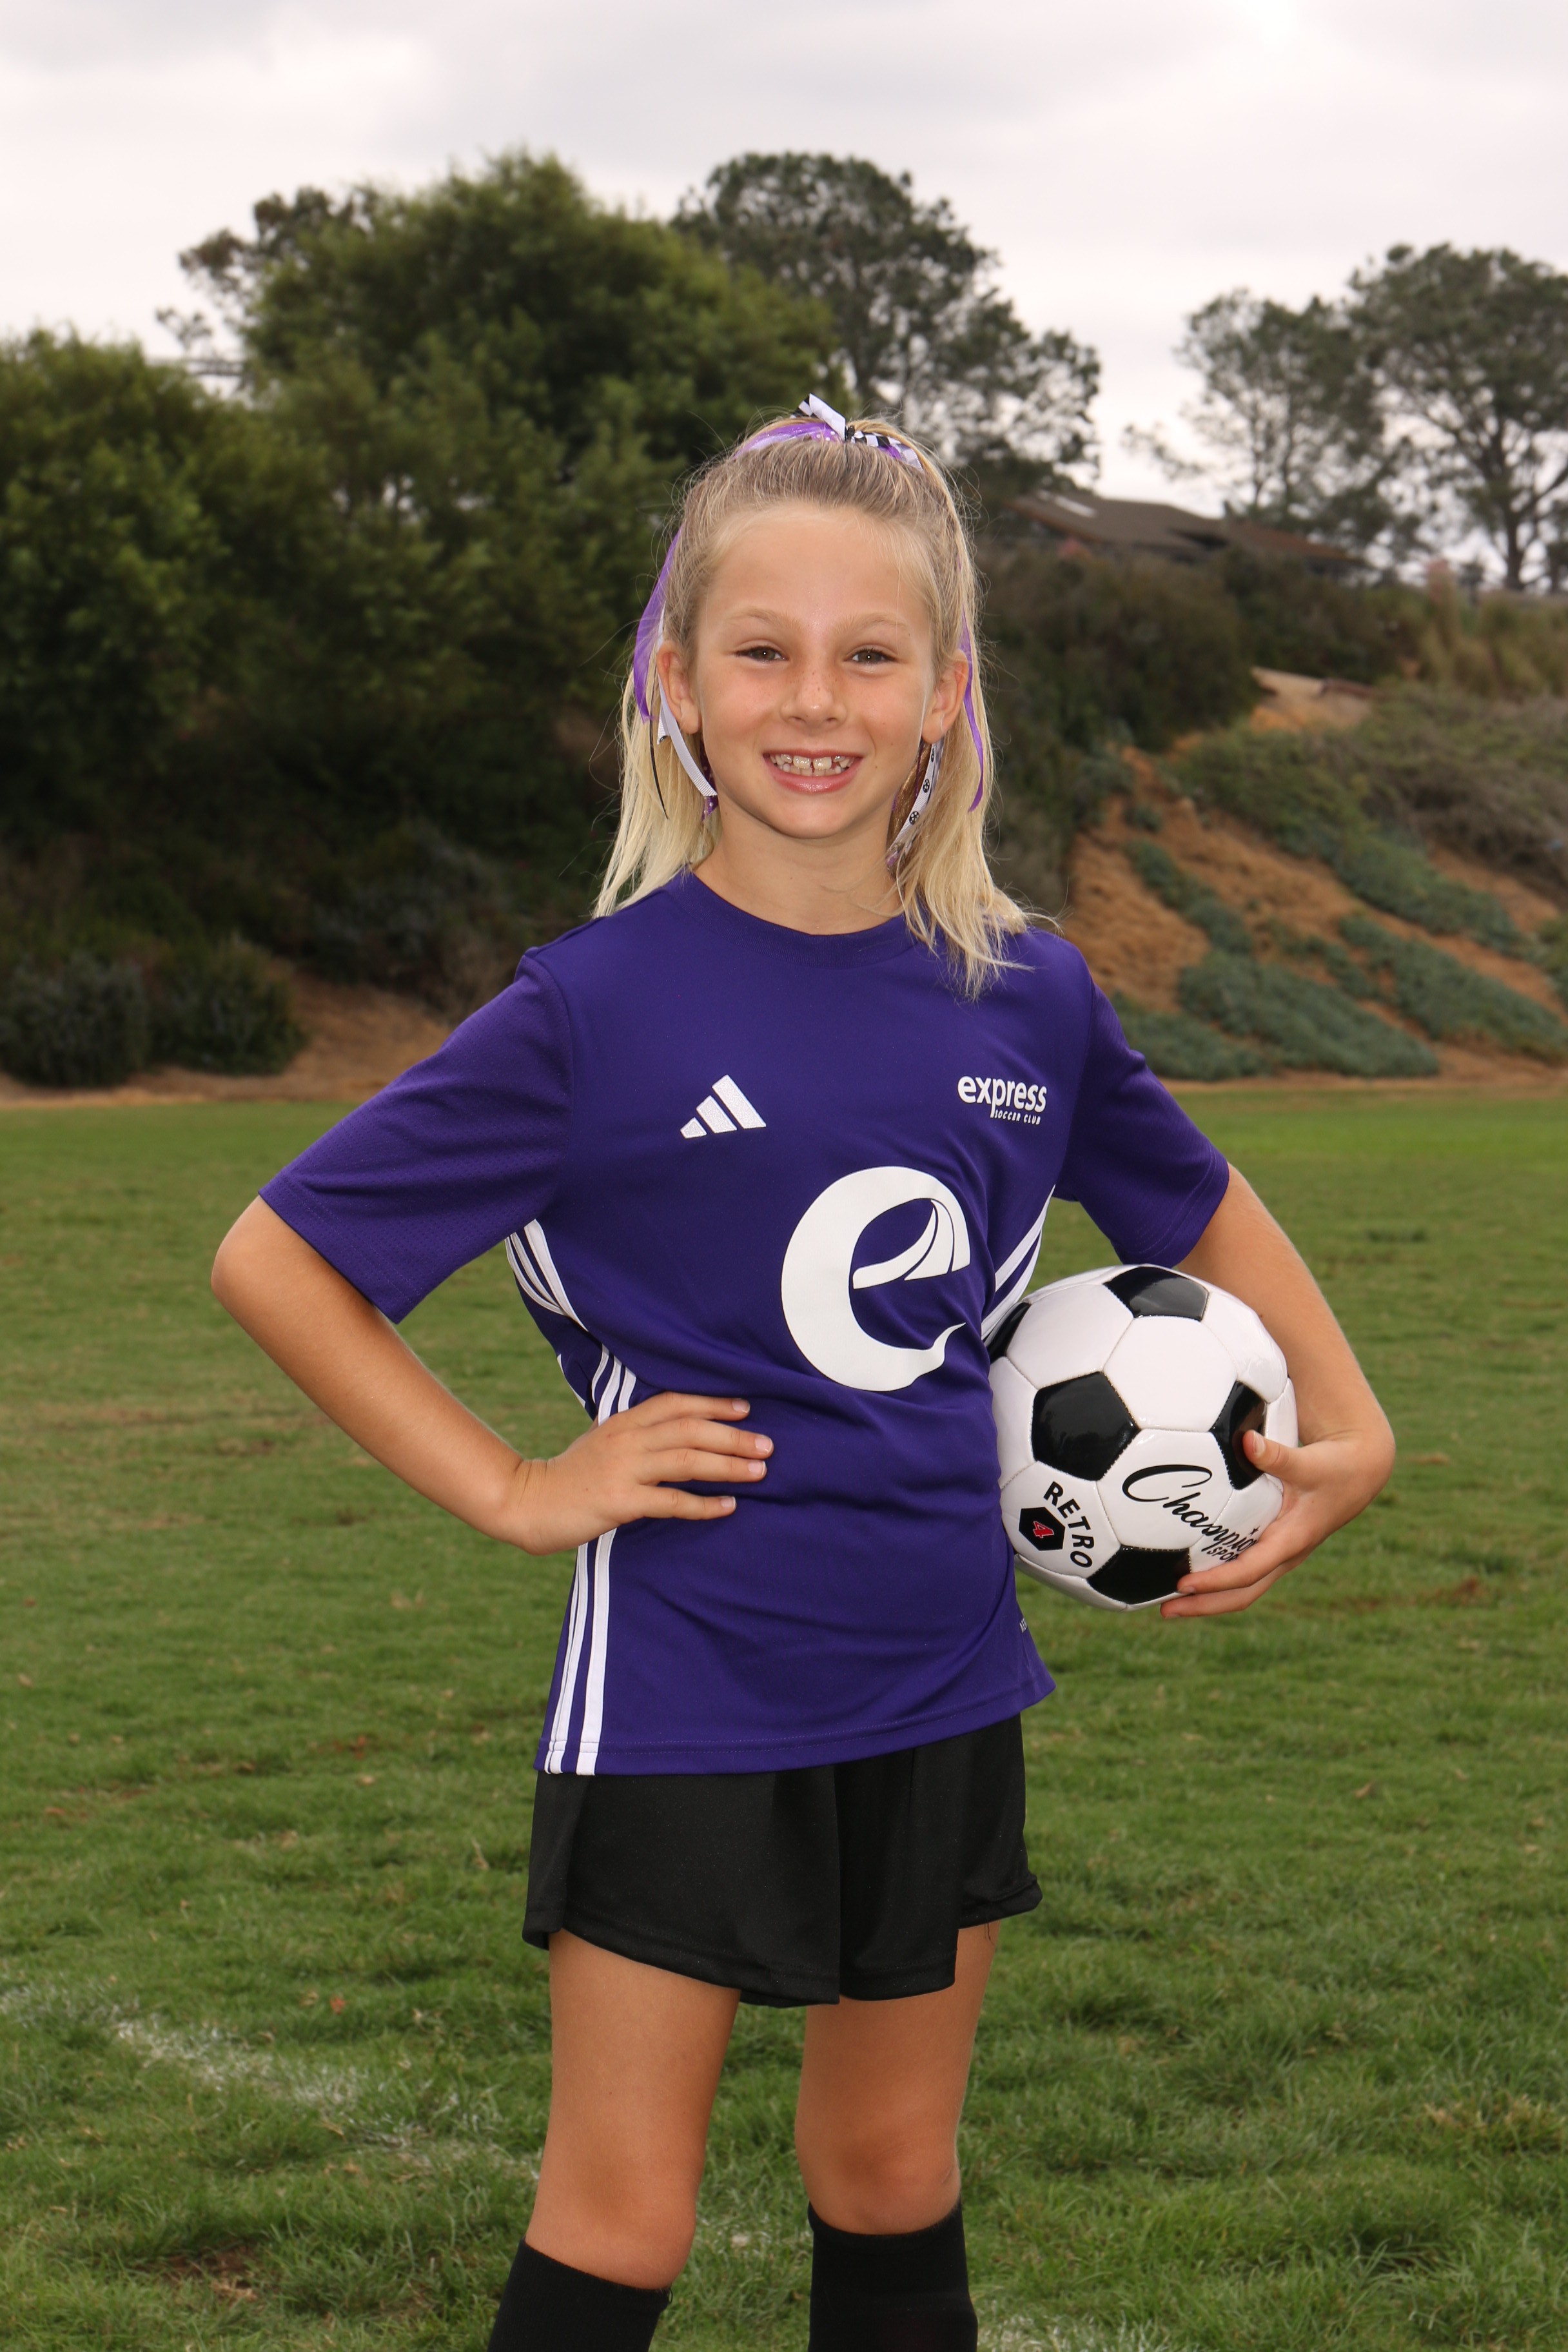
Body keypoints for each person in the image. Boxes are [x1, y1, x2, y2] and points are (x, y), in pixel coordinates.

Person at [211, 398, 1395, 2351]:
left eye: (870, 654)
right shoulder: (592, 1008)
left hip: (943, 1667)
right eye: (763, 651)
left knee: (892, 2171)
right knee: (622, 2214)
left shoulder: (1028, 991)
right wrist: (516, 1487)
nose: (816, 700)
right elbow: (282, 1257)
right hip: (688, 1678)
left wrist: (1349, 1427)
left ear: (947, 695)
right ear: (678, 685)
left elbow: (1194, 1201)